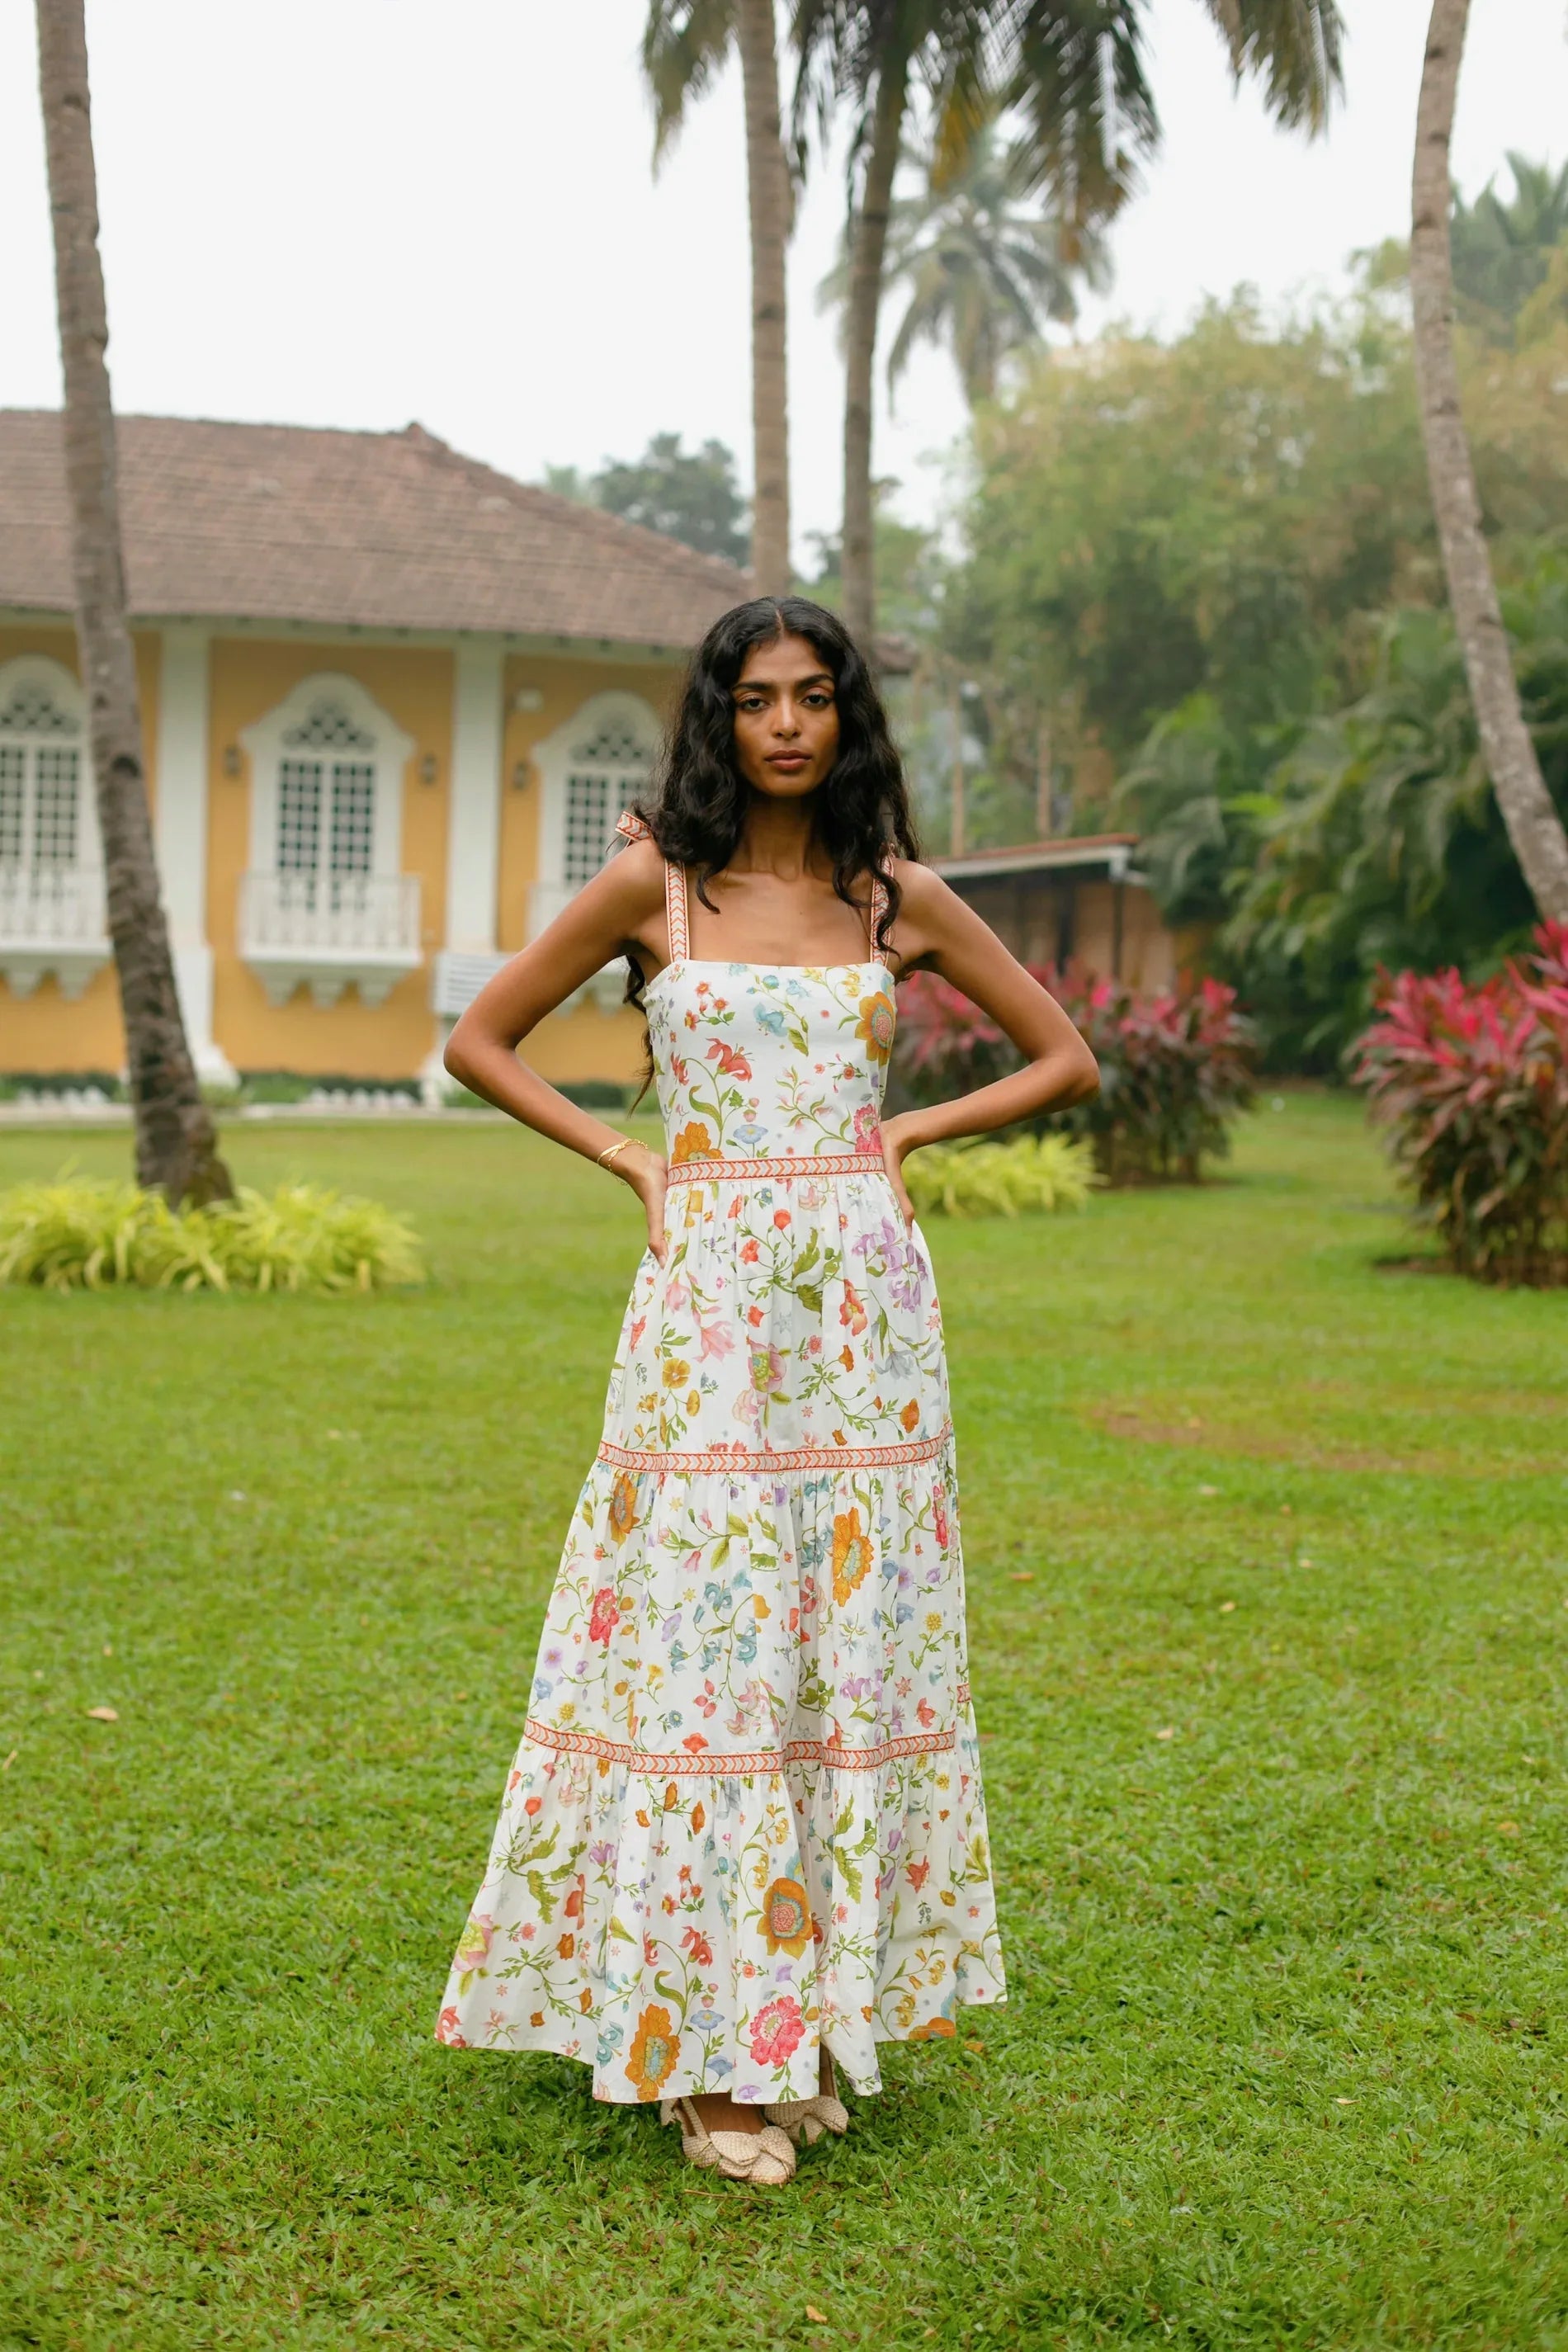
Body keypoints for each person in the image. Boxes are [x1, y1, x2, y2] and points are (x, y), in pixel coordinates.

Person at [435, 597, 1098, 2184]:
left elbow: (1062, 1056)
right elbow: (479, 1038)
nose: (785, 722)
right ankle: (704, 2056)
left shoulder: (894, 900)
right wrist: (630, 1151)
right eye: (754, 698)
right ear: (719, 717)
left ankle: (785, 2016)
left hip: (865, 1325)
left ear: (846, 716)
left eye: (812, 696)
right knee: (706, 1648)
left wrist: (910, 1135)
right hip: (708, 1310)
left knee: (832, 1646)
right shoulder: (653, 884)